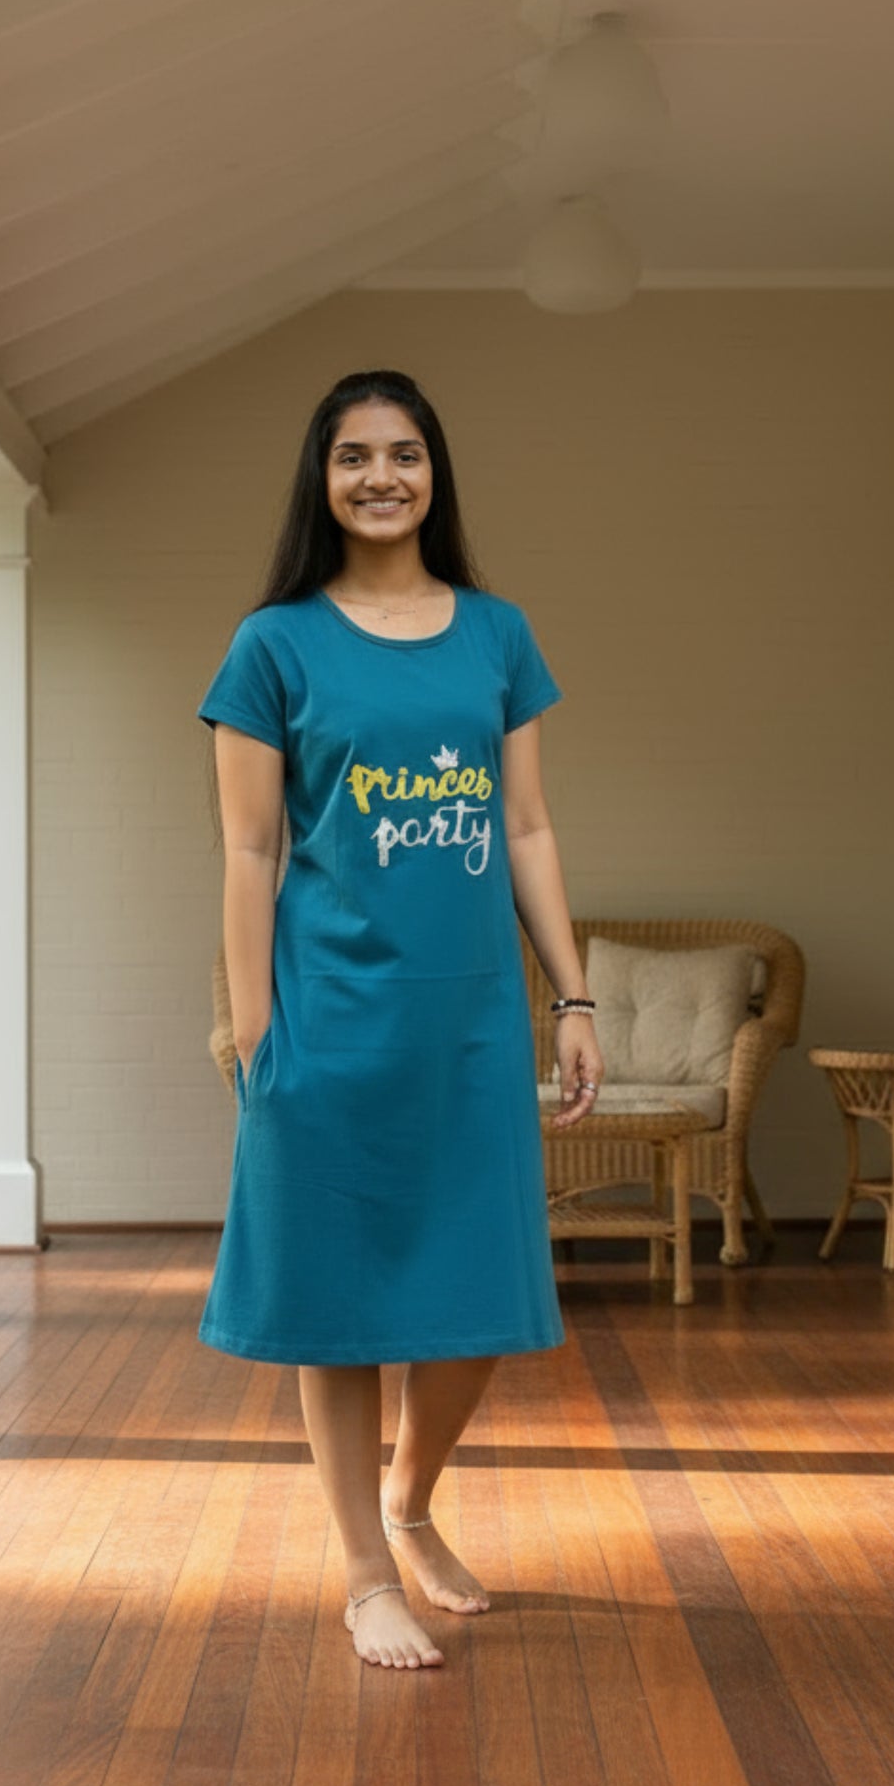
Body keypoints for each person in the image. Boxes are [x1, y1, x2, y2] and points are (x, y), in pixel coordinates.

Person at [196, 368, 605, 1673]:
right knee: (333, 1298)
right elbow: (249, 852)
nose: (382, 476)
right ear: (322, 479)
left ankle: (409, 1502)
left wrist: (573, 994)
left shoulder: (496, 635)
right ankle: (365, 1573)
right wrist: (254, 1027)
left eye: (405, 453)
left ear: (436, 473)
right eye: (354, 455)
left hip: (471, 1025)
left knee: (483, 1297)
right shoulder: (272, 646)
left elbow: (526, 827)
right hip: (327, 1017)